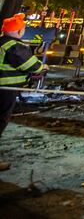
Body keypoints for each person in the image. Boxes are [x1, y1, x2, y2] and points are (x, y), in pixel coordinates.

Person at [1, 13, 46, 171]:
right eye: (23, 28)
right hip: (5, 90)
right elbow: (30, 65)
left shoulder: (2, 44)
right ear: (18, 31)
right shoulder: (14, 46)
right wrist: (42, 67)